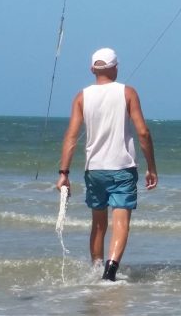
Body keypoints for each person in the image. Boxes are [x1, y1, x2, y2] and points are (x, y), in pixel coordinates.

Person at [56, 47, 158, 281]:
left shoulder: (81, 96)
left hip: (94, 170)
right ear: (115, 67)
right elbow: (143, 132)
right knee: (120, 223)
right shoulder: (128, 92)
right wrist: (152, 167)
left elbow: (71, 137)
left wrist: (63, 173)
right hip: (122, 167)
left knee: (98, 224)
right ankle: (110, 272)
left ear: (92, 69)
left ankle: (96, 270)